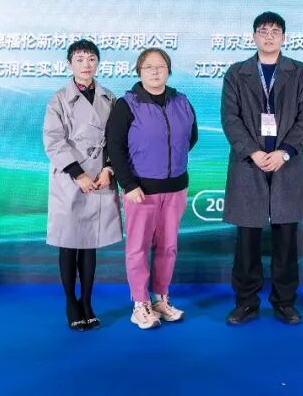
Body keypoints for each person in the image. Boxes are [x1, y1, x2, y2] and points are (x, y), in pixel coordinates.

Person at [221, 12, 303, 325]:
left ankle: (284, 302)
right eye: (263, 31)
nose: (269, 36)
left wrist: (284, 152)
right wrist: (253, 151)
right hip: (249, 165)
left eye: (275, 31)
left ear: (284, 38)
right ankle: (246, 302)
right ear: (254, 37)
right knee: (247, 241)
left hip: (287, 165)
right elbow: (230, 118)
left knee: (286, 241)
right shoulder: (237, 73)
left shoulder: (299, 72)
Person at [105, 47, 197, 330]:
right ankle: (140, 304)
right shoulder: (127, 105)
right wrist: (129, 183)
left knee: (168, 247)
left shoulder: (182, 101)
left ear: (168, 70)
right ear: (139, 71)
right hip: (140, 191)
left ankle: (160, 299)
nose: (155, 71)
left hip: (176, 188)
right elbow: (115, 148)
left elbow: (191, 137)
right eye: (149, 67)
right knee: (138, 248)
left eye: (161, 66)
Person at [42, 39, 122, 331]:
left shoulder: (109, 98)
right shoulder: (59, 99)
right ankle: (70, 303)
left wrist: (109, 168)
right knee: (69, 244)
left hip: (100, 178)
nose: (86, 64)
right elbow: (53, 140)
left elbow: (117, 139)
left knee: (90, 244)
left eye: (91, 59)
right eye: (79, 59)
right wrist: (78, 174)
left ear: (98, 63)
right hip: (70, 178)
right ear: (69, 64)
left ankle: (87, 302)